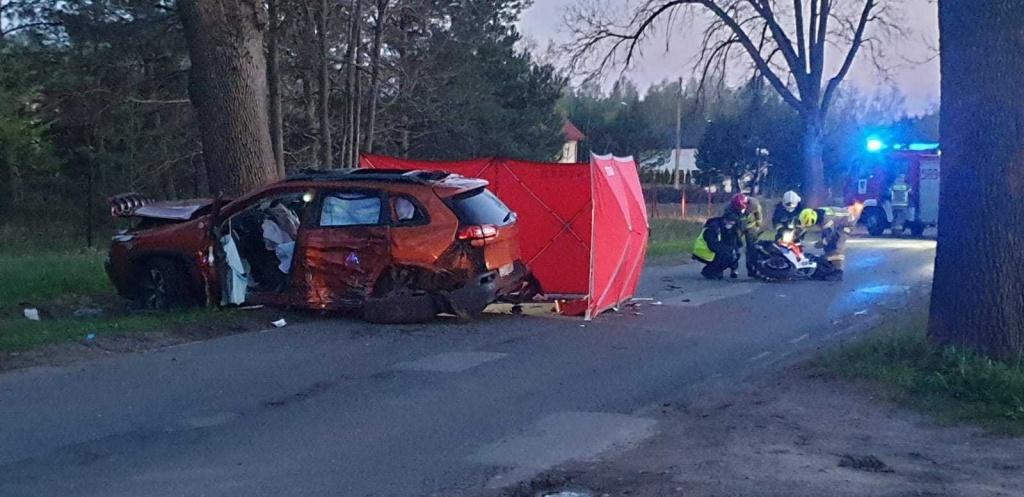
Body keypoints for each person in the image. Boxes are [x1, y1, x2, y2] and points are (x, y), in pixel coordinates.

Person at [797, 206, 857, 281]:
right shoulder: (817, 212)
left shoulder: (826, 220)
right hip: (838, 222)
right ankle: (829, 267)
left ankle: (838, 272)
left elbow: (830, 236)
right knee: (828, 247)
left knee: (836, 245)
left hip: (847, 224)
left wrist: (821, 243)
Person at [724, 193, 765, 278]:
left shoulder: (754, 203)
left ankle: (752, 269)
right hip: (737, 227)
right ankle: (734, 269)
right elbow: (726, 219)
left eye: (742, 208)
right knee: (734, 247)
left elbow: (759, 215)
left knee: (752, 248)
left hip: (751, 226)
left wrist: (758, 225)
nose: (741, 210)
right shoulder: (729, 208)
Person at [692, 211, 743, 280]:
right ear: (725, 220)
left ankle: (716, 271)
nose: (730, 225)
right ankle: (709, 271)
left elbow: (735, 242)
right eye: (729, 223)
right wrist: (727, 250)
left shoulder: (726, 228)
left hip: (710, 250)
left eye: (732, 224)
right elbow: (712, 244)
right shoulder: (713, 227)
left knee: (733, 255)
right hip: (702, 250)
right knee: (727, 256)